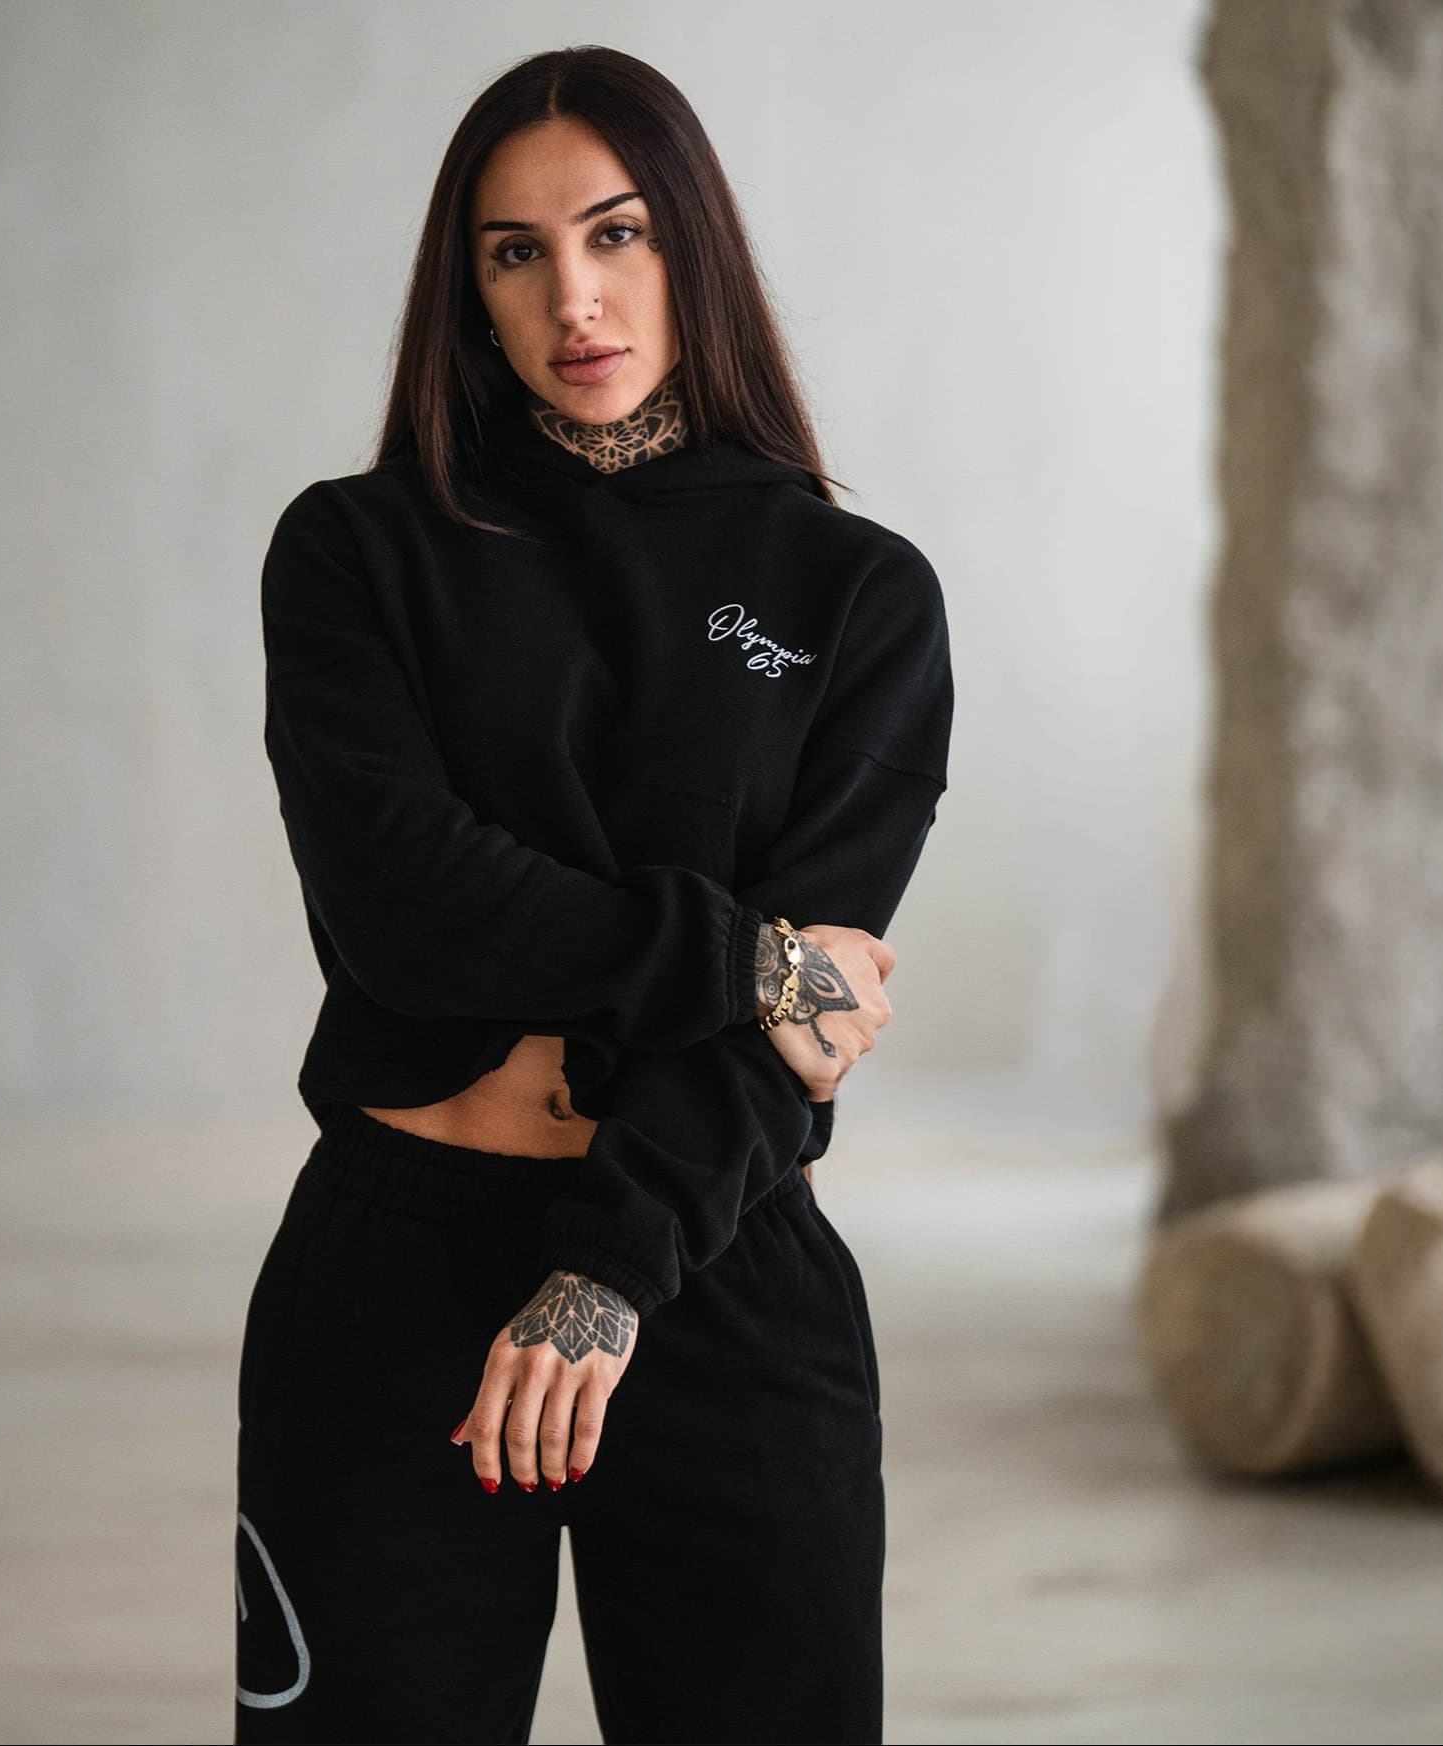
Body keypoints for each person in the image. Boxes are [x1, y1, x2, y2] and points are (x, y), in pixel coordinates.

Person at [235, 43, 954, 1746]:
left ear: (691, 245)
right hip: (394, 1272)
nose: (573, 296)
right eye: (516, 252)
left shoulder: (855, 594)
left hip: (716, 1264)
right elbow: (407, 907)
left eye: (616, 233)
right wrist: (752, 958)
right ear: (466, 288)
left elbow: (798, 1033)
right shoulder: (355, 551)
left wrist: (606, 1273)